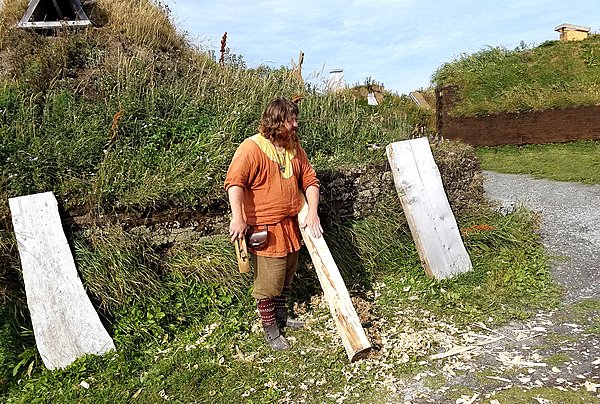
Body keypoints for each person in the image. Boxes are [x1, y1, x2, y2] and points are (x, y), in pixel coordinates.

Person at [224, 97, 323, 351]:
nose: (295, 124)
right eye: (290, 120)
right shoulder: (251, 148)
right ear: (277, 122)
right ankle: (271, 331)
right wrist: (238, 217)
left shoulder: (294, 149)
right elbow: (235, 182)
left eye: (295, 119)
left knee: (286, 277)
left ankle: (281, 317)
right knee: (269, 284)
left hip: (291, 225)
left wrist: (313, 212)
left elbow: (310, 180)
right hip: (264, 228)